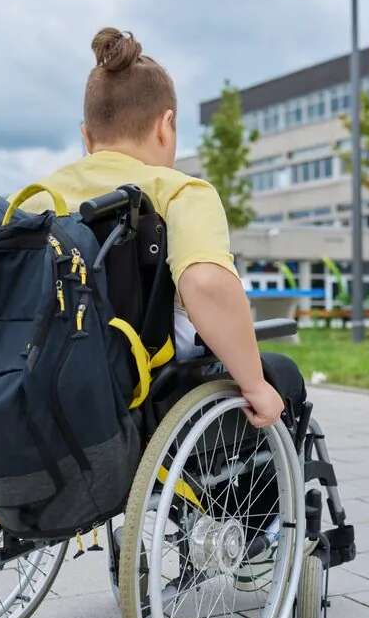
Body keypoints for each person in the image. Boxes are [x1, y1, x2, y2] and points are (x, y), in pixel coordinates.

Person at [16, 27, 286, 429]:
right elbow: (206, 284)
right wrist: (256, 384)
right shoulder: (177, 191)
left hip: (36, 387)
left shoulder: (29, 200)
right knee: (284, 379)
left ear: (86, 137)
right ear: (166, 125)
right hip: (136, 393)